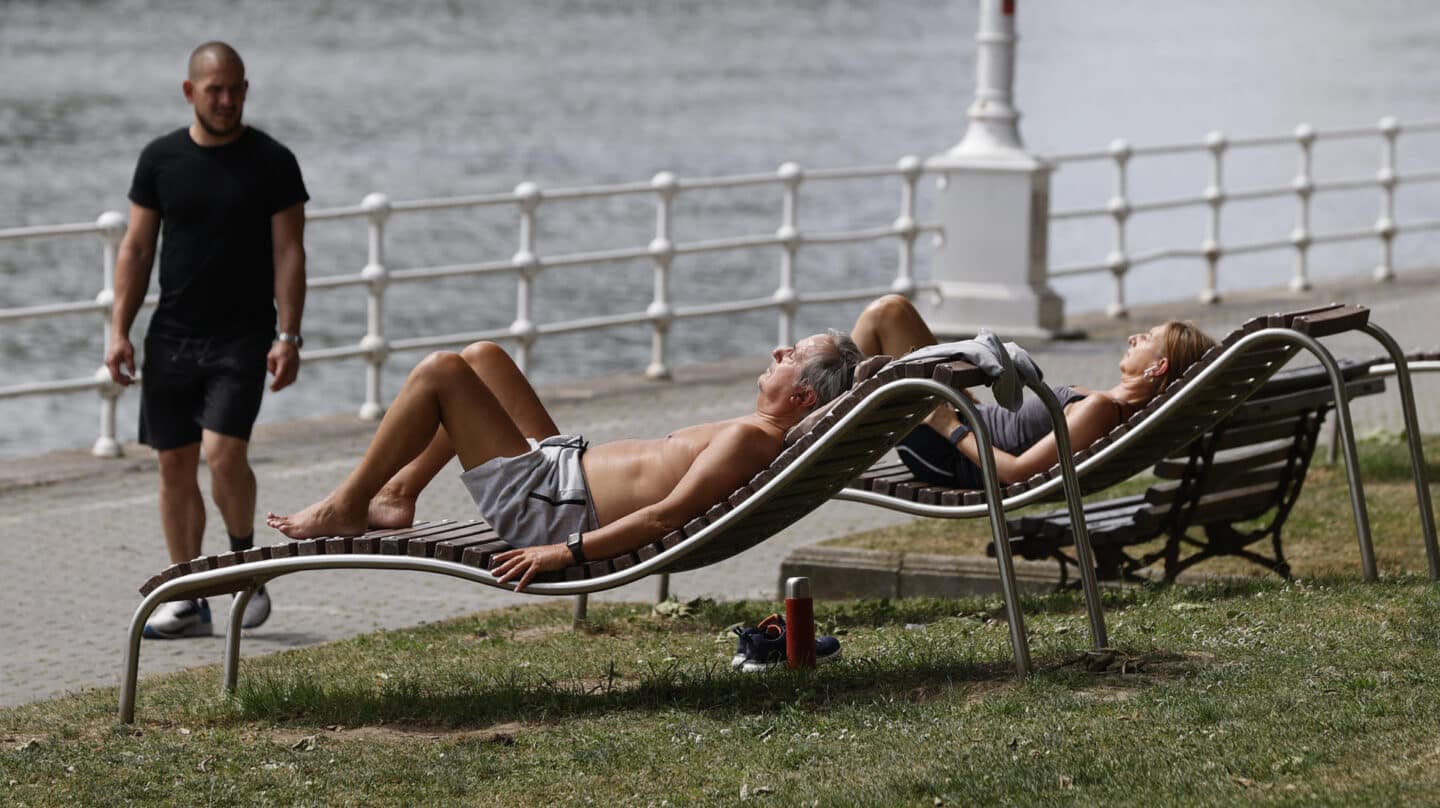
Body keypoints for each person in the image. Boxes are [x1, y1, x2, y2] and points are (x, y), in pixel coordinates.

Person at [267, 331, 863, 590]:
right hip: (562, 474)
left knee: (441, 372)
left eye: (791, 355)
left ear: (802, 396)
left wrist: (562, 552)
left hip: (551, 510)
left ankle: (347, 504)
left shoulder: (749, 440)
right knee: (485, 358)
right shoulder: (758, 432)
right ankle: (396, 495)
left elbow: (663, 518)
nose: (777, 351)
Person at [105, 42, 309, 639]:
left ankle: (246, 566)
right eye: (214, 89)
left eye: (236, 88)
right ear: (190, 91)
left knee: (223, 454)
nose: (226, 99)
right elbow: (137, 249)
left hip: (243, 336)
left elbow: (290, 251)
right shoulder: (160, 159)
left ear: (246, 89)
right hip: (171, 335)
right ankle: (188, 594)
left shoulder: (272, 161)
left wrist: (289, 332)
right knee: (174, 466)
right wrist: (119, 330)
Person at [848, 295, 1216, 488]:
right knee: (893, 312)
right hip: (971, 419)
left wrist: (947, 425)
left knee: (882, 317)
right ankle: (818, 398)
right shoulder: (1108, 407)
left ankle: (811, 417)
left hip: (946, 449)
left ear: (1158, 368)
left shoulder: (1102, 408)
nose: (1134, 337)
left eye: (1147, 339)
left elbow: (1017, 473)